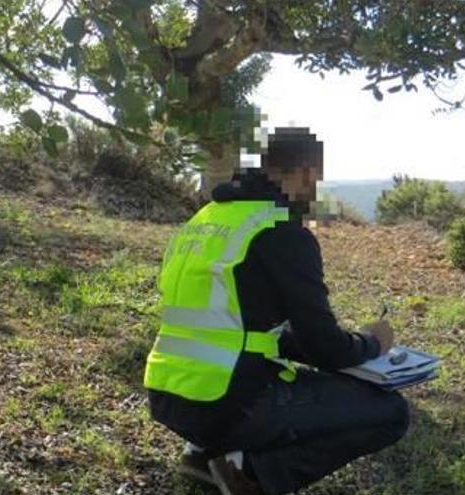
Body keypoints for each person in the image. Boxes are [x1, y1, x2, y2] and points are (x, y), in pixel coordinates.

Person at [143, 128, 409, 495]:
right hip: (226, 402)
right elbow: (326, 349)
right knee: (391, 412)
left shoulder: (205, 220)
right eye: (314, 181)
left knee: (275, 385)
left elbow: (237, 327)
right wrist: (371, 343)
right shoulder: (281, 232)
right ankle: (248, 473)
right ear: (305, 174)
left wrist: (317, 345)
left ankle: (203, 454)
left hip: (166, 393)